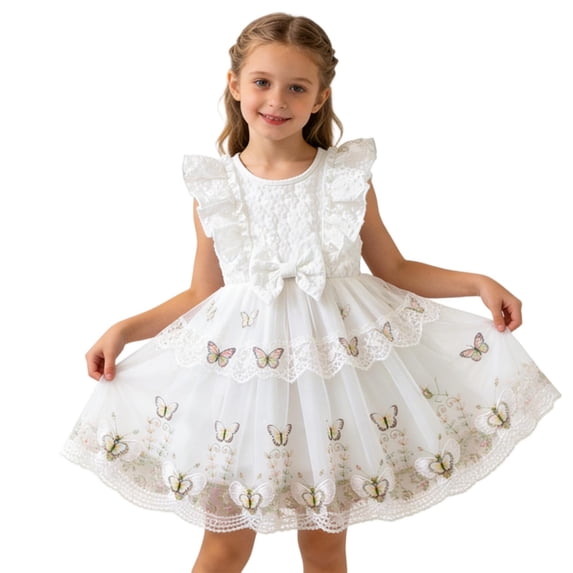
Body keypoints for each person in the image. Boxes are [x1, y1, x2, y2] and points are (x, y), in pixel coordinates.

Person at [62, 12, 560, 573]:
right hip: (242, 391)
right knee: (224, 547)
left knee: (324, 549)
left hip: (333, 390)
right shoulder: (217, 190)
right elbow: (202, 293)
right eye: (262, 82)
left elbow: (393, 268)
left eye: (297, 87)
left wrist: (477, 283)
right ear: (235, 84)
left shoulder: (345, 179)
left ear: (321, 97)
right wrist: (124, 330)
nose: (277, 99)